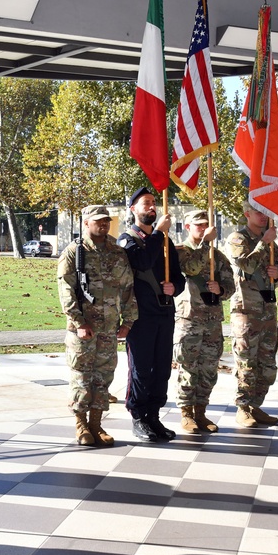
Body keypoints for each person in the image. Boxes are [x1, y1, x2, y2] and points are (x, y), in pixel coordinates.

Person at [57, 205, 138, 447]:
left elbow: (127, 288)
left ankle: (96, 424)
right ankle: (81, 424)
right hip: (84, 328)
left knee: (103, 377)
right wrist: (79, 322)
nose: (103, 224)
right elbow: (66, 290)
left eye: (106, 221)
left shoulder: (116, 252)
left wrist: (129, 320)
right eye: (98, 221)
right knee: (82, 376)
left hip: (109, 327)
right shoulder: (74, 252)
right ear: (86, 223)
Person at [118, 187, 185, 442]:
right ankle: (138, 416)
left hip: (165, 313)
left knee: (162, 369)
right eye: (146, 203)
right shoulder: (127, 240)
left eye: (154, 203)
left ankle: (154, 415)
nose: (152, 207)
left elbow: (179, 277)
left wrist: (174, 287)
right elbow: (143, 261)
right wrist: (158, 233)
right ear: (133, 209)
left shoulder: (165, 241)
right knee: (141, 368)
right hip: (140, 316)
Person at [173, 210, 234, 433]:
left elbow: (231, 284)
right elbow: (191, 268)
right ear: (187, 227)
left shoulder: (218, 256)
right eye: (198, 225)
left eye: (206, 225)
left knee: (209, 368)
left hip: (212, 319)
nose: (203, 228)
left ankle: (201, 411)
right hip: (189, 319)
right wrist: (205, 244)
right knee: (188, 367)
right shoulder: (180, 251)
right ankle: (186, 413)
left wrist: (222, 289)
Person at [227, 200, 278, 428]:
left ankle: (255, 405)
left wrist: (276, 274)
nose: (262, 216)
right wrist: (264, 243)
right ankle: (243, 408)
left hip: (267, 312)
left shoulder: (272, 244)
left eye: (265, 212)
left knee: (267, 365)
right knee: (247, 363)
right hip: (247, 313)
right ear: (247, 213)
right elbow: (246, 266)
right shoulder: (238, 239)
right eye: (258, 211)